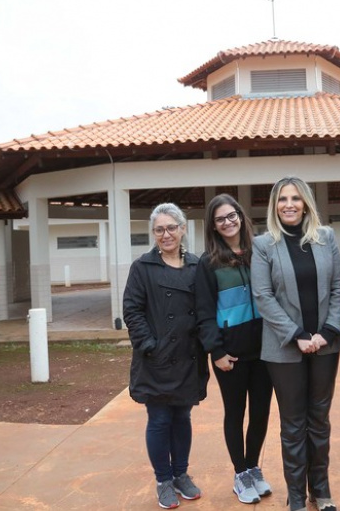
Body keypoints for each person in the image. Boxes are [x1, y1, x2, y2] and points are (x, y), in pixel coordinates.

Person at [251, 177, 340, 511]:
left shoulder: (326, 237)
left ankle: (321, 491)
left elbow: (338, 286)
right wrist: (297, 335)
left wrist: (329, 330)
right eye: (282, 199)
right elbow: (263, 296)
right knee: (293, 425)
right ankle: (296, 497)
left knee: (319, 421)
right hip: (284, 348)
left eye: (295, 198)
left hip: (325, 345)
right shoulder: (264, 244)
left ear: (306, 203)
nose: (289, 205)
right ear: (274, 206)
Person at [123, 203, 208, 510]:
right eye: (159, 229)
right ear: (153, 233)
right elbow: (132, 310)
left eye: (171, 227)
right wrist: (149, 345)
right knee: (159, 420)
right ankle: (163, 480)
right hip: (156, 360)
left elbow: (206, 308)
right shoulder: (142, 267)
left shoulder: (197, 265)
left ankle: (181, 474)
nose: (166, 234)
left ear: (182, 229)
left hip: (188, 357)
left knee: (182, 418)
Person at [195, 194, 274, 505]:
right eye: (220, 219)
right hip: (231, 354)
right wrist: (216, 351)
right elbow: (204, 312)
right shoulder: (208, 262)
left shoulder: (260, 252)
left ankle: (253, 467)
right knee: (235, 413)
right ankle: (240, 474)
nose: (228, 222)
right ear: (213, 226)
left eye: (232, 216)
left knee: (261, 412)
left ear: (241, 216)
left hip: (265, 349)